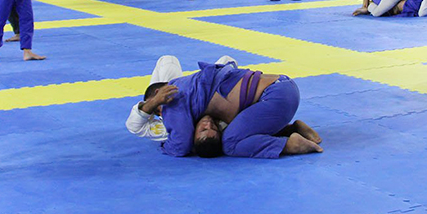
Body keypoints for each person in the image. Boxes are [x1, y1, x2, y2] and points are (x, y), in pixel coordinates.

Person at [126, 56, 322, 158]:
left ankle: (289, 145)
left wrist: (155, 105)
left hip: (277, 97)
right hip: (283, 90)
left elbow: (180, 146)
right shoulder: (191, 85)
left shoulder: (171, 103)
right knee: (234, 128)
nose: (208, 124)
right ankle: (291, 129)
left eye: (203, 129)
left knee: (229, 143)